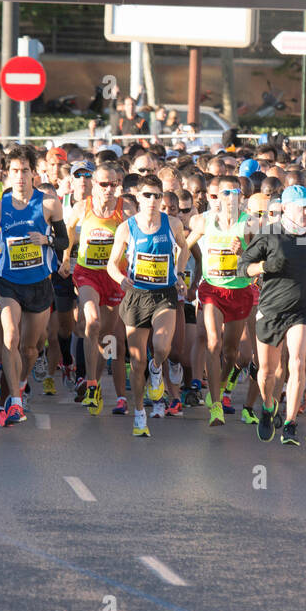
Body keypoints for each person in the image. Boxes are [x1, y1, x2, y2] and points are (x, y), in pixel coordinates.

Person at [0, 148, 67, 426]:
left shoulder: (50, 204)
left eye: (24, 170)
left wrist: (48, 241)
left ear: (33, 173)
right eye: (14, 171)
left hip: (39, 283)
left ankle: (23, 381)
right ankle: (15, 402)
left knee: (30, 349)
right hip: (9, 283)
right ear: (8, 174)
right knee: (11, 336)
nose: (19, 176)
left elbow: (64, 242)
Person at [241, 185, 306, 445]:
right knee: (267, 372)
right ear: (285, 209)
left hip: (301, 309)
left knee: (297, 363)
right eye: (301, 207)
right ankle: (269, 406)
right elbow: (243, 267)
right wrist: (264, 266)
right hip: (270, 310)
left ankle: (291, 423)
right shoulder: (270, 234)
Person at [105, 174, 190, 437]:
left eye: (157, 195)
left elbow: (184, 249)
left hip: (164, 294)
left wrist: (178, 273)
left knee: (162, 347)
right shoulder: (126, 228)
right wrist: (121, 279)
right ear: (138, 198)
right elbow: (111, 264)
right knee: (137, 360)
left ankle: (157, 369)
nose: (153, 200)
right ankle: (140, 412)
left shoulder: (172, 223)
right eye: (147, 195)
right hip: (137, 295)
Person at [184, 175, 254, 428]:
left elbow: (260, 262)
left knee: (231, 351)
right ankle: (216, 406)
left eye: (232, 193)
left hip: (240, 291)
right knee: (213, 343)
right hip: (212, 290)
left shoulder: (250, 224)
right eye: (220, 195)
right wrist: (180, 273)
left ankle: (222, 384)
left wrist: (243, 252)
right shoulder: (204, 222)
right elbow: (184, 246)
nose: (226, 199)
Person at [64, 161, 132, 416]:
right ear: (94, 184)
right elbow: (67, 229)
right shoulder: (83, 207)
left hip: (114, 277)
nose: (108, 189)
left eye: (113, 184)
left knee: (107, 336)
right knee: (91, 321)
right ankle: (91, 383)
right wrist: (64, 257)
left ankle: (99, 382)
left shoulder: (125, 211)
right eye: (103, 184)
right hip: (87, 274)